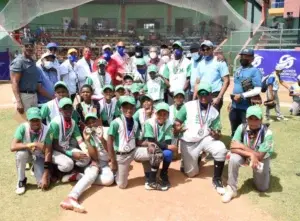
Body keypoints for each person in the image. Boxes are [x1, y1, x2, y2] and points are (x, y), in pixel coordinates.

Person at [174, 82, 227, 194]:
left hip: (204, 139)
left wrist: (215, 134)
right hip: (189, 142)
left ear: (210, 95)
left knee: (221, 148)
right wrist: (177, 128)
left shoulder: (214, 112)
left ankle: (217, 179)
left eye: (206, 94)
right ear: (197, 95)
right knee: (192, 174)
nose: (203, 96)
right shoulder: (188, 106)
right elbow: (177, 121)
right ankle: (189, 160)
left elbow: (218, 133)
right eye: (200, 94)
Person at [60, 113, 114, 213]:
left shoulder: (108, 130)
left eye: (93, 121)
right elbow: (94, 157)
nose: (92, 124)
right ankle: (71, 198)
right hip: (98, 161)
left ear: (98, 121)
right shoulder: (89, 135)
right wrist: (87, 141)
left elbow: (112, 152)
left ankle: (79, 176)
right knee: (94, 173)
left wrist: (102, 139)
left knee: (109, 180)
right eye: (88, 123)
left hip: (109, 161)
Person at [222, 106, 274, 203]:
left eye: (256, 119)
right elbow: (233, 148)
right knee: (233, 158)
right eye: (250, 118)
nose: (253, 122)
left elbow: (260, 156)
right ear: (246, 118)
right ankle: (231, 189)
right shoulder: (241, 127)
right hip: (245, 155)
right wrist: (250, 155)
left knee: (262, 188)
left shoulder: (268, 133)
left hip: (261, 159)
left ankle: (264, 172)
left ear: (261, 120)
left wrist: (243, 146)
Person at [107, 96, 154, 189]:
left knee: (154, 152)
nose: (128, 110)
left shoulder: (135, 123)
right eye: (125, 107)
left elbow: (137, 141)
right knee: (122, 185)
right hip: (122, 156)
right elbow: (109, 142)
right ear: (121, 108)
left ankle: (149, 176)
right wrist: (113, 161)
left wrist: (149, 144)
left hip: (134, 151)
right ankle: (117, 173)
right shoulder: (115, 123)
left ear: (134, 108)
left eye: (131, 107)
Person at [47, 98, 90, 182]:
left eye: (69, 107)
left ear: (72, 109)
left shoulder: (73, 122)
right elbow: (55, 145)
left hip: (65, 147)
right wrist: (71, 154)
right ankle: (57, 172)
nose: (68, 110)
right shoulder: (55, 123)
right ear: (60, 110)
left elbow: (80, 140)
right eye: (65, 108)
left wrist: (87, 152)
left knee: (86, 158)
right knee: (68, 164)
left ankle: (73, 170)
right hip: (53, 150)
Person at [11, 107, 52, 195]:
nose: (35, 123)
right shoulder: (22, 127)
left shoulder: (47, 130)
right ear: (28, 120)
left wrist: (45, 176)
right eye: (32, 120)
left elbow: (48, 153)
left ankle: (35, 168)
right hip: (27, 154)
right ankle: (21, 181)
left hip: (40, 156)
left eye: (37, 120)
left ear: (41, 119)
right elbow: (13, 146)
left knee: (43, 184)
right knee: (21, 154)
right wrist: (32, 144)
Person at [143, 102, 177, 189]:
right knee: (156, 151)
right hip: (148, 146)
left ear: (168, 115)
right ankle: (151, 180)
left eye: (164, 114)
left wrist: (167, 147)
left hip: (160, 145)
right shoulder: (149, 123)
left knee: (168, 154)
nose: (162, 116)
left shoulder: (168, 123)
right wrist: (166, 146)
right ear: (155, 113)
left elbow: (168, 140)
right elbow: (151, 141)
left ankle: (164, 172)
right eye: (159, 113)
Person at [229, 49, 262, 137]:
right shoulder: (238, 70)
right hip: (235, 106)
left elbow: (258, 89)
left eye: (247, 56)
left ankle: (246, 148)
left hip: (247, 107)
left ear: (252, 58)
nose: (243, 58)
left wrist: (242, 95)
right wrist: (231, 102)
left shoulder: (255, 71)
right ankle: (234, 147)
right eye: (242, 56)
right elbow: (236, 87)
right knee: (234, 129)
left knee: (246, 131)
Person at [10, 38, 41, 122]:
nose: (29, 48)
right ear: (22, 47)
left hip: (33, 95)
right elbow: (14, 82)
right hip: (24, 96)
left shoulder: (32, 61)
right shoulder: (19, 61)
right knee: (25, 124)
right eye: (27, 46)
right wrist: (19, 102)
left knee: (34, 123)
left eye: (31, 46)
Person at [195, 40, 229, 112]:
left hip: (214, 94)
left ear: (212, 49)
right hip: (202, 94)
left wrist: (219, 97)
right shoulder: (200, 64)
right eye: (203, 49)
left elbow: (226, 81)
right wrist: (196, 97)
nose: (205, 51)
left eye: (207, 49)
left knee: (213, 119)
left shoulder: (219, 61)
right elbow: (197, 82)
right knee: (203, 119)